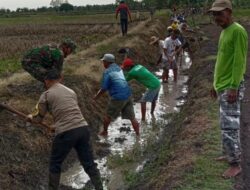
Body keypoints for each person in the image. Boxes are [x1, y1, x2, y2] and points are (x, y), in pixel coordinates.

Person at [27, 71, 103, 190]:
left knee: (55, 163)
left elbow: (37, 118)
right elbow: (68, 112)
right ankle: (100, 187)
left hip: (66, 132)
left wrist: (31, 117)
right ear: (59, 79)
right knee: (88, 162)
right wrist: (56, 125)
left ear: (47, 81)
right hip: (82, 128)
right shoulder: (70, 91)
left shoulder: (46, 95)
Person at [209, 0, 248, 178]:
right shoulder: (225, 32)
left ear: (229, 12)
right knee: (225, 123)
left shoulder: (238, 31)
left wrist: (233, 87)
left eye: (220, 14)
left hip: (231, 86)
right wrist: (215, 85)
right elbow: (221, 61)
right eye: (214, 14)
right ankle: (228, 153)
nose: (217, 18)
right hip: (222, 85)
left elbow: (239, 62)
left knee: (230, 126)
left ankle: (235, 164)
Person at [93, 54, 139, 136]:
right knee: (132, 118)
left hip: (118, 97)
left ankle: (105, 132)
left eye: (104, 61)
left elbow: (104, 88)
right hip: (128, 94)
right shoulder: (119, 68)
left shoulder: (107, 72)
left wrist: (96, 97)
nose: (103, 63)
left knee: (108, 115)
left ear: (107, 62)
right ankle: (138, 135)